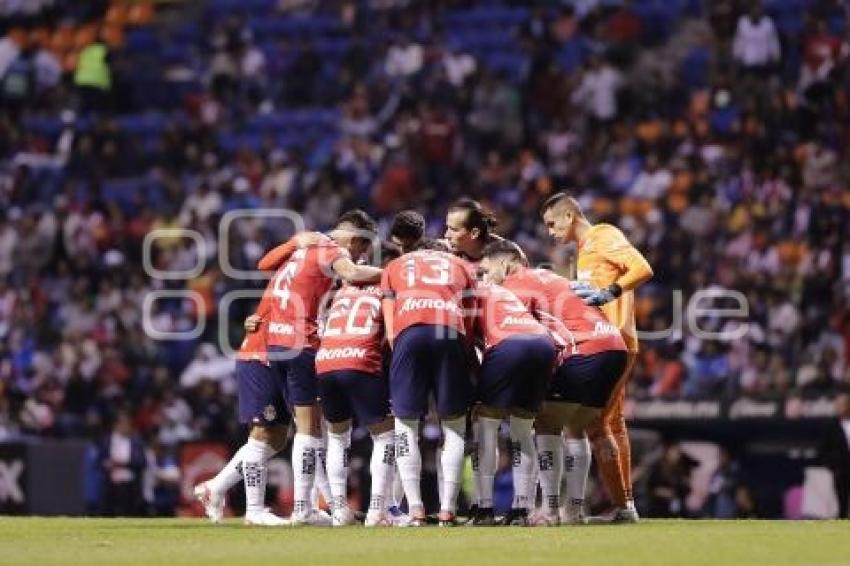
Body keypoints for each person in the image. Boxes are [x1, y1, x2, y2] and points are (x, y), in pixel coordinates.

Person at [479, 240, 628, 525]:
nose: (486, 279)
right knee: (575, 428)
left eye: (487, 271)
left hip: (584, 347)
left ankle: (549, 511)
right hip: (613, 347)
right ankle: (572, 511)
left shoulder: (515, 283)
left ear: (507, 263)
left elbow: (516, 333)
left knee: (546, 423)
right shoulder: (550, 277)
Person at [265, 210, 383, 525]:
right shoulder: (333, 250)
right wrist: (393, 273)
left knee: (308, 428)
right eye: (362, 250)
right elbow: (354, 274)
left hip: (275, 342)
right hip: (300, 341)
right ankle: (302, 508)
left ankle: (321, 505)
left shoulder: (304, 249)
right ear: (358, 238)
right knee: (308, 430)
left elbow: (265, 265)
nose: (360, 257)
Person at [541, 192, 653, 523]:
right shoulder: (584, 252)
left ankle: (623, 507)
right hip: (610, 341)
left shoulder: (603, 234)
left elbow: (642, 268)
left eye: (552, 224)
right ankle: (624, 506)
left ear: (569, 217)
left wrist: (610, 292)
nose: (550, 232)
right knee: (609, 422)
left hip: (615, 340)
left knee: (595, 423)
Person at [381, 239, 477, 526]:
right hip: (449, 330)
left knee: (406, 424)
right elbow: (471, 311)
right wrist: (466, 347)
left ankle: (416, 510)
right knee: (455, 425)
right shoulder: (461, 264)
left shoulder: (395, 265)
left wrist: (395, 340)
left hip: (408, 333)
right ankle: (448, 509)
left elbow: (388, 311)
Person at [317, 242, 402, 526]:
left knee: (338, 436)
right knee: (385, 436)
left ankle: (339, 511)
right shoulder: (390, 290)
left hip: (326, 361)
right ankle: (377, 510)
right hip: (361, 360)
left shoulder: (341, 290)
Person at [469, 278, 557, 525]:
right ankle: (522, 508)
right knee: (522, 430)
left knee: (486, 426)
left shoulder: (465, 291)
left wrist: (478, 384)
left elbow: (466, 342)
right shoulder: (501, 291)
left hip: (508, 344)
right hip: (542, 343)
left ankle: (484, 509)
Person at [98, 412, 147, 517]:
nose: (127, 427)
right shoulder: (106, 441)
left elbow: (142, 461)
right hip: (111, 484)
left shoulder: (136, 441)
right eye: (124, 424)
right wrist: (106, 464)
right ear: (116, 425)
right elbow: (99, 461)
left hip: (130, 485)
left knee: (129, 513)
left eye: (128, 424)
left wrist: (124, 463)